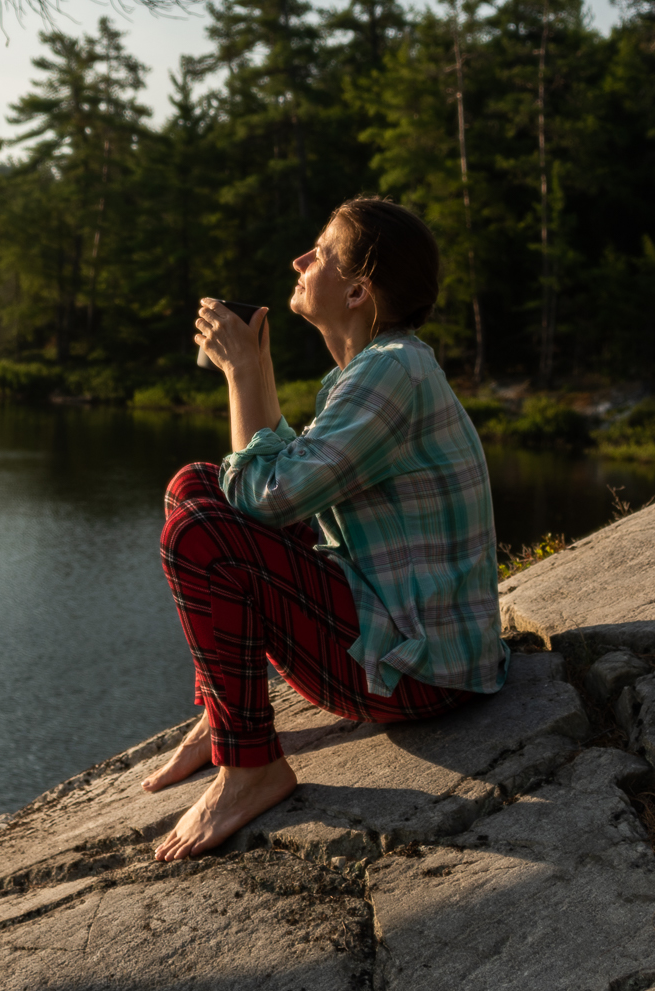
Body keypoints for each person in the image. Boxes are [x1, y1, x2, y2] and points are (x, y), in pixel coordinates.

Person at [142, 197, 507, 861]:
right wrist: (251, 376)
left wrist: (245, 372)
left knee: (198, 531)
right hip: (407, 639)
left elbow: (266, 497)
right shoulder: (376, 367)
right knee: (193, 485)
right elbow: (279, 483)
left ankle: (250, 766)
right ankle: (223, 718)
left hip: (422, 674)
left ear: (359, 290)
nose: (300, 261)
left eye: (321, 253)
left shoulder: (390, 371)